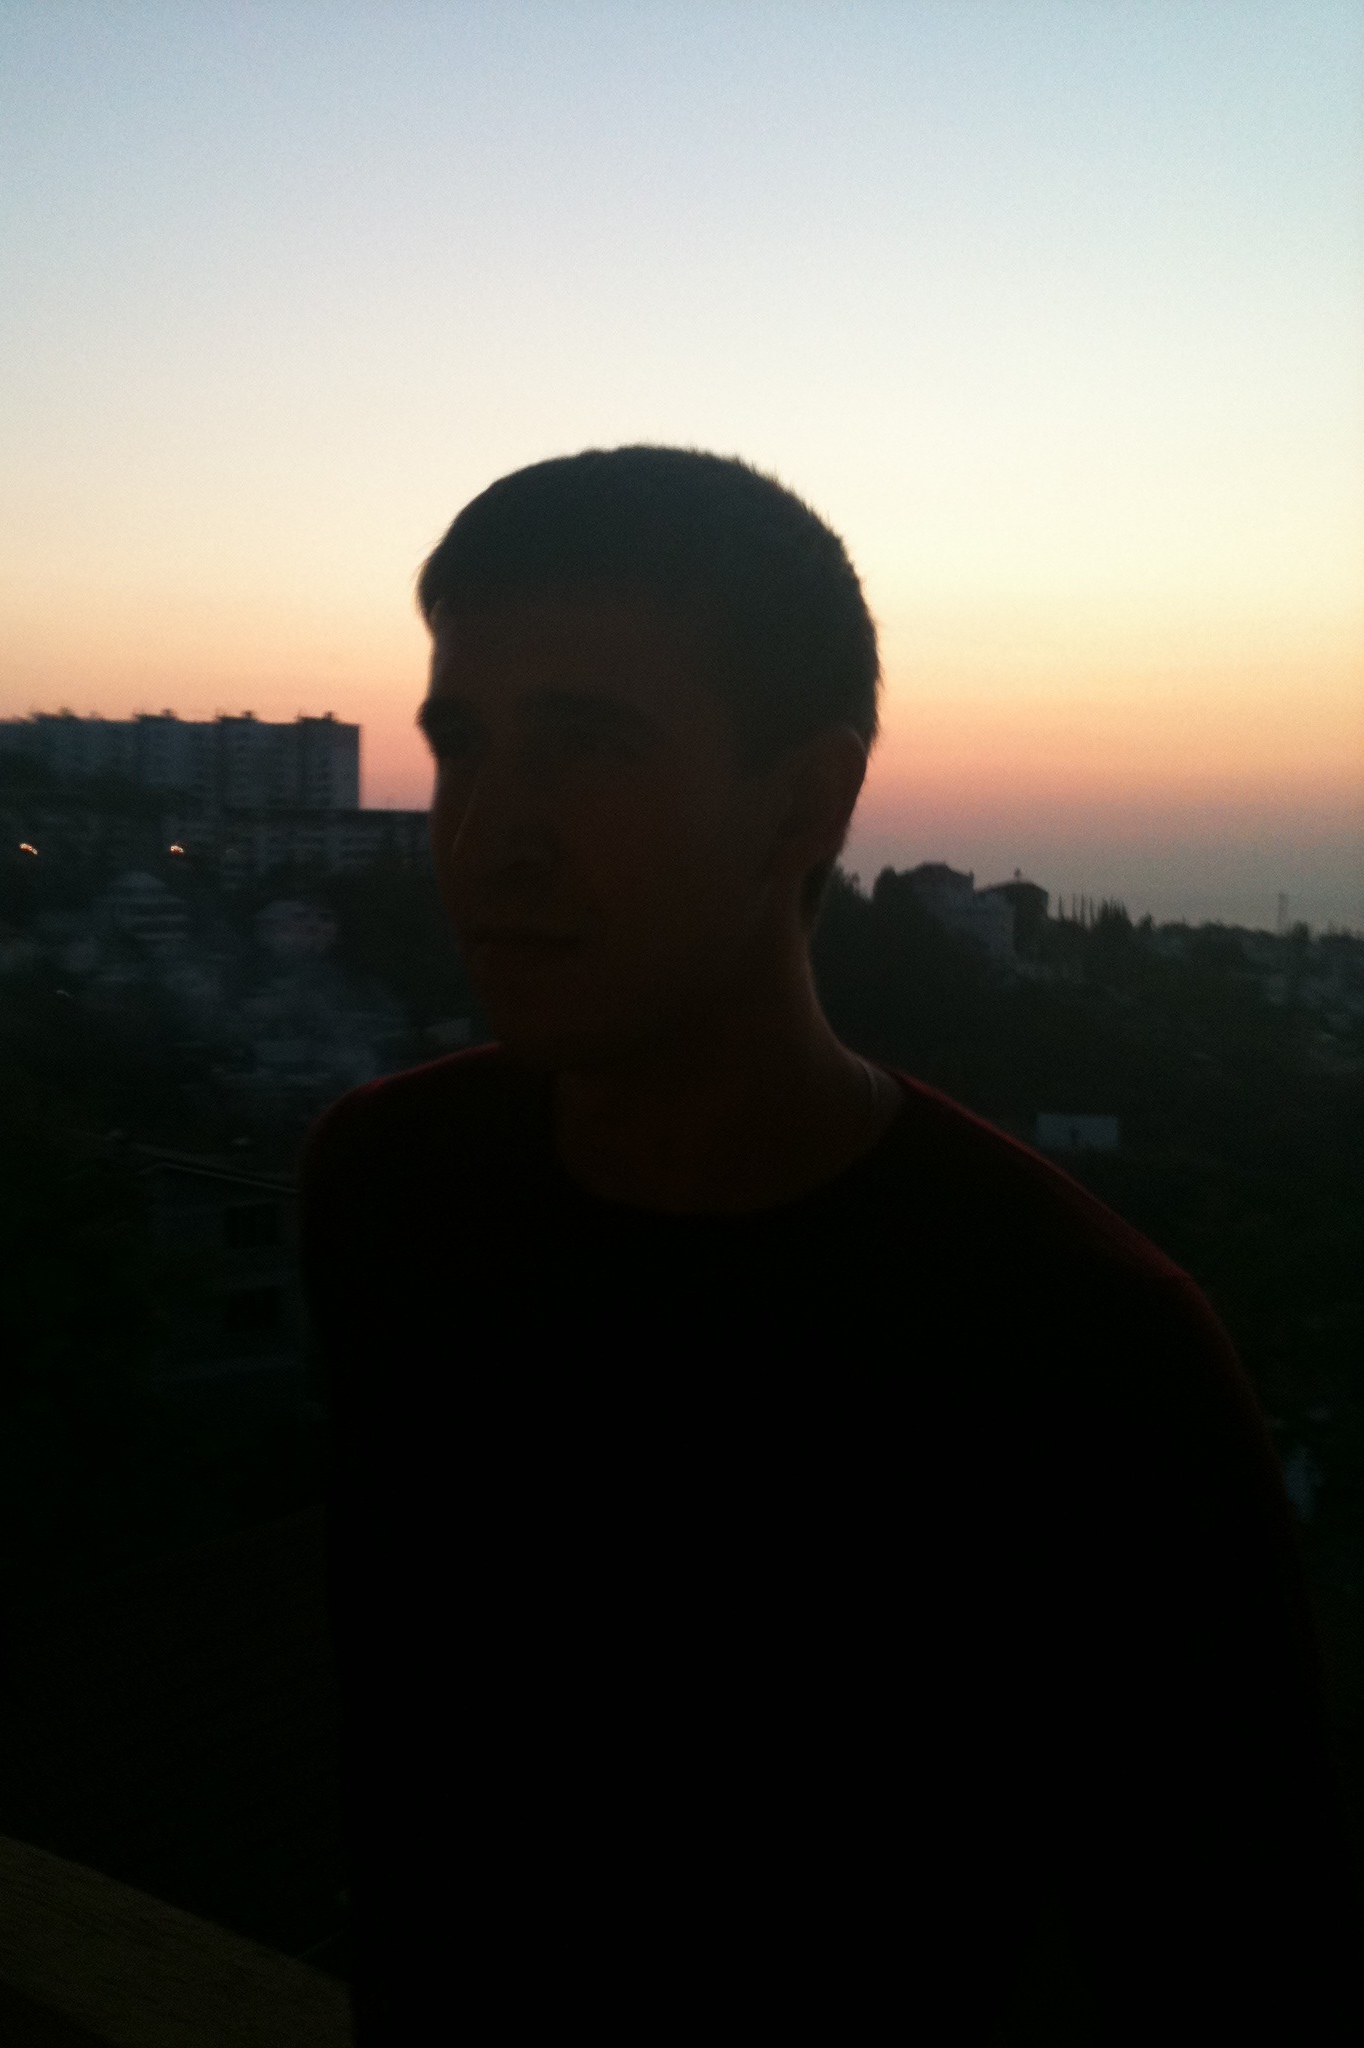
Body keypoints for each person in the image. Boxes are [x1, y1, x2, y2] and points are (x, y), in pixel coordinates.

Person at [300, 446, 1358, 2045]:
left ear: (805, 803)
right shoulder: (391, 1192)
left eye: (588, 749)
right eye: (464, 750)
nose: (488, 837)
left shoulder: (1080, 1356)